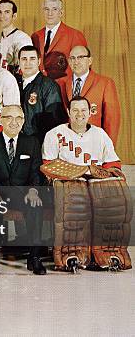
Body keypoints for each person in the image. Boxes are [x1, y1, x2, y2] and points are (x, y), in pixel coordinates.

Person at [42, 97, 129, 272]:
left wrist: (99, 175)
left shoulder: (100, 134)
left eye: (83, 110)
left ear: (90, 113)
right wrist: (83, 171)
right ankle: (71, 253)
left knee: (113, 202)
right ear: (68, 112)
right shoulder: (54, 134)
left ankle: (107, 252)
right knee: (75, 203)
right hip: (69, 183)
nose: (79, 114)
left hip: (97, 184)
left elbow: (113, 164)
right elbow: (48, 165)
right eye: (75, 110)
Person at [0, 105, 46, 275]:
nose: (14, 122)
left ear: (23, 121)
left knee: (36, 206)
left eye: (18, 118)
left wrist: (33, 191)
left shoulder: (31, 142)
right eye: (9, 117)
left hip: (23, 195)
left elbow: (36, 173)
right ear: (0, 119)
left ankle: (35, 258)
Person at [56, 46, 120, 144]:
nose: (76, 62)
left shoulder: (105, 83)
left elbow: (112, 120)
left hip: (94, 143)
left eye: (81, 57)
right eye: (72, 58)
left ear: (90, 61)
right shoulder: (60, 83)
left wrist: (108, 148)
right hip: (67, 143)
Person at [17, 45, 66, 143]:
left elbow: (54, 121)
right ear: (18, 62)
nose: (28, 63)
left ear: (39, 61)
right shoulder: (13, 82)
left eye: (32, 59)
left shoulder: (49, 86)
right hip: (15, 141)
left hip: (38, 142)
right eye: (24, 59)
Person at [31, 0, 87, 79]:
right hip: (40, 88)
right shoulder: (35, 36)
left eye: (54, 9)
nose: (50, 13)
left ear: (61, 13)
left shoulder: (75, 35)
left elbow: (82, 67)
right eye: (47, 9)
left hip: (64, 88)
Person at [0, 0, 32, 74]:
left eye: (7, 12)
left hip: (15, 82)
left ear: (14, 16)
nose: (2, 16)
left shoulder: (22, 38)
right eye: (0, 12)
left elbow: (27, 67)